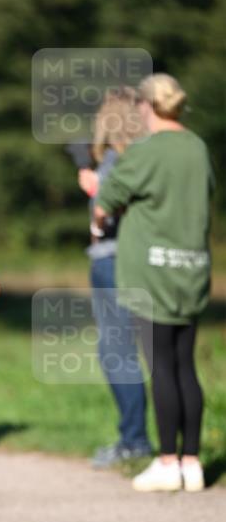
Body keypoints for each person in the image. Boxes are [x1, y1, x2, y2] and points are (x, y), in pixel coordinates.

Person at [94, 74, 213, 492]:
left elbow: (106, 202)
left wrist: (98, 222)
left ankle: (166, 461)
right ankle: (192, 462)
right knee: (185, 365)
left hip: (152, 273)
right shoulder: (197, 147)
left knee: (160, 365)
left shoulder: (145, 151)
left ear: (146, 107)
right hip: (193, 268)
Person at [71, 89, 152, 468]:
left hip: (113, 259)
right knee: (136, 350)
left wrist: (96, 193)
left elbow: (114, 209)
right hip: (130, 259)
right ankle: (141, 439)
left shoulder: (120, 159)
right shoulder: (140, 156)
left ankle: (134, 440)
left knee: (117, 352)